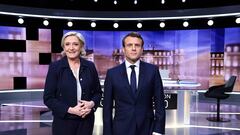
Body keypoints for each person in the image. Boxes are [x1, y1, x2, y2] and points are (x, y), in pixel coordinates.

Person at [103, 32, 165, 135]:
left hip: (147, 129)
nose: (133, 48)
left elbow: (160, 103)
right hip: (120, 129)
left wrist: (158, 130)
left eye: (137, 45)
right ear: (124, 49)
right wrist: (107, 132)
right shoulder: (112, 74)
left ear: (142, 49)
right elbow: (107, 108)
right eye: (129, 45)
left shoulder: (152, 71)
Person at [44, 31, 102, 135]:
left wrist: (91, 105)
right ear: (64, 47)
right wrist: (70, 110)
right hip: (63, 122)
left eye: (75, 44)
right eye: (67, 44)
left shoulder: (90, 66)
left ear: (81, 47)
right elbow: (48, 98)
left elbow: (98, 93)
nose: (71, 48)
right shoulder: (55, 67)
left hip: (86, 122)